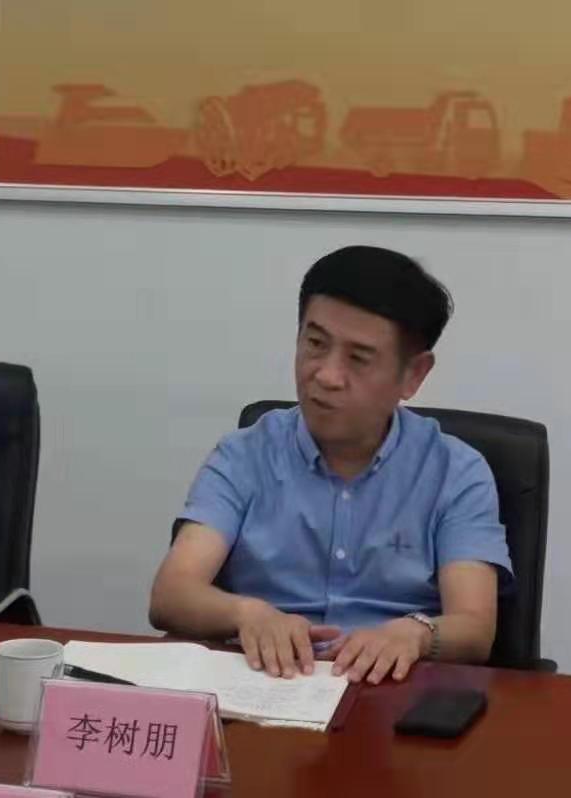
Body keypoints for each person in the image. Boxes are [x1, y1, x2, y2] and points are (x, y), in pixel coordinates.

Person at [149, 245, 512, 685]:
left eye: (358, 358)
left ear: (414, 375)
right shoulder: (244, 455)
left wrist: (417, 634)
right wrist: (247, 614)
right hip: (263, 682)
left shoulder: (455, 471)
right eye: (315, 344)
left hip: (388, 690)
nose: (326, 375)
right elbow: (172, 594)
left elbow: (474, 627)